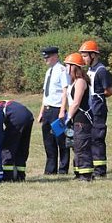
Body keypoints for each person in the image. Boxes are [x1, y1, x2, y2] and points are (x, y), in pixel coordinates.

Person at [80, 40, 112, 177]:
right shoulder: (90, 70)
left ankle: (100, 170)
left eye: (85, 56)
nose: (83, 59)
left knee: (97, 139)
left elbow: (109, 91)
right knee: (90, 138)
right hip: (90, 109)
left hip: (98, 109)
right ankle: (93, 165)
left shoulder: (101, 71)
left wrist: (98, 96)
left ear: (93, 55)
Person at [59, 53, 94, 182]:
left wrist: (68, 117)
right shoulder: (73, 82)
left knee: (82, 145)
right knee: (77, 146)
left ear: (74, 67)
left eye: (67, 65)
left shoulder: (80, 82)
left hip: (82, 120)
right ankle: (79, 172)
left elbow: (76, 103)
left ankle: (86, 174)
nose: (66, 68)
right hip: (76, 120)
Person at [36, 46, 70, 175]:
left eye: (48, 57)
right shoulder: (49, 72)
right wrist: (41, 112)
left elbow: (65, 92)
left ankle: (63, 168)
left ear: (55, 56)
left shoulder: (62, 70)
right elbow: (46, 94)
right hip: (48, 110)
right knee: (48, 141)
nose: (46, 60)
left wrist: (62, 111)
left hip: (57, 110)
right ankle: (50, 169)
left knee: (61, 140)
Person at [0, 100, 34, 181]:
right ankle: (21, 176)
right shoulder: (9, 104)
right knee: (22, 146)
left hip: (17, 117)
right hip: (29, 116)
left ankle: (8, 176)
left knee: (7, 147)